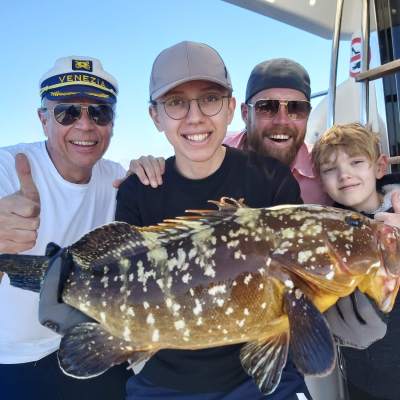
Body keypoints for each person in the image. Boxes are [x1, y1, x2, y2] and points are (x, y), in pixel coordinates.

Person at [114, 41, 311, 399]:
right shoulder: (137, 191)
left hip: (264, 378)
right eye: (175, 102)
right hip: (164, 385)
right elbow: (115, 276)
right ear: (155, 116)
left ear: (231, 108)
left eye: (209, 98)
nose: (195, 117)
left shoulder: (274, 181)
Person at [0, 56, 131, 399]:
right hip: (15, 361)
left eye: (99, 112)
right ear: (44, 119)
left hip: (93, 348)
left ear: (112, 123)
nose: (85, 125)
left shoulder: (118, 179)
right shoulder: (7, 169)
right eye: (67, 112)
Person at [311, 122, 400, 400]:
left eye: (356, 162)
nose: (344, 175)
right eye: (330, 169)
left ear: (379, 166)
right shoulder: (322, 232)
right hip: (366, 377)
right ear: (320, 180)